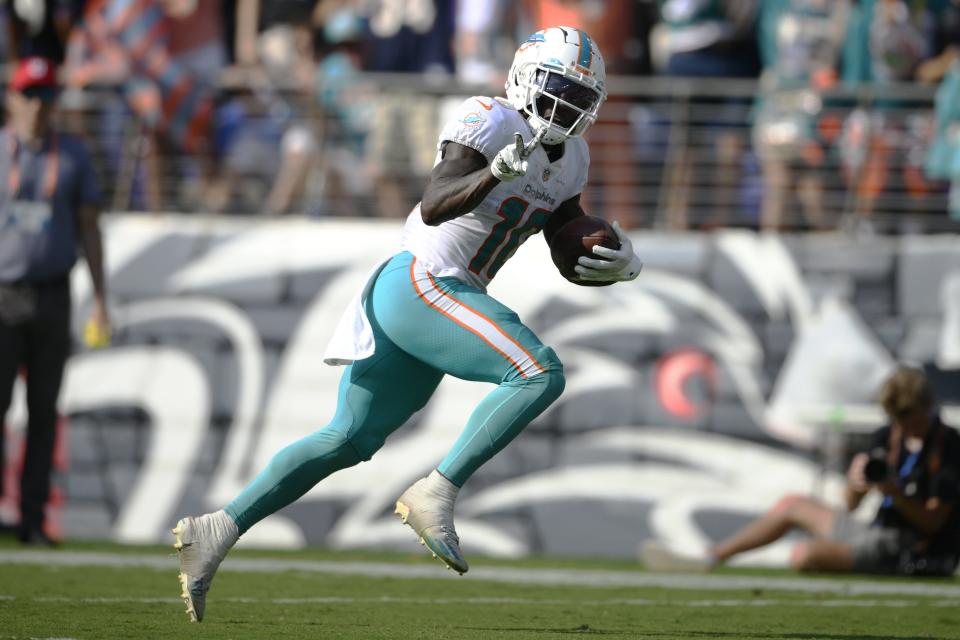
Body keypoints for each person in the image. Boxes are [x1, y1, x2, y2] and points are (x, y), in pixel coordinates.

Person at [172, 25, 643, 623]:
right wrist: (493, 174)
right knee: (536, 372)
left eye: (579, 97)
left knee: (348, 439)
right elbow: (434, 202)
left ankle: (215, 529)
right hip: (423, 281)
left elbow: (563, 240)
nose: (565, 106)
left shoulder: (572, 157)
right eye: (557, 88)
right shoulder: (488, 119)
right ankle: (436, 490)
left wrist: (615, 264)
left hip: (440, 298)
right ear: (524, 77)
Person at [642, 366, 960, 576]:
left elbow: (933, 524)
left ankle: (836, 559)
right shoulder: (887, 436)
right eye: (895, 417)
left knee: (803, 555)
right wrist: (856, 484)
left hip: (915, 551)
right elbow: (851, 505)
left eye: (907, 416)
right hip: (876, 532)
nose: (902, 424)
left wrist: (895, 494)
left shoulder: (946, 445)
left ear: (926, 407)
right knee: (792, 505)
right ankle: (710, 557)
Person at [0, 56, 109, 545]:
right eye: (29, 94)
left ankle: (32, 519)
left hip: (52, 296)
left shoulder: (73, 157)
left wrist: (102, 297)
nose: (38, 106)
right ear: (12, 98)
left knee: (44, 413)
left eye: (46, 96)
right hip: (3, 295)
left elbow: (90, 228)